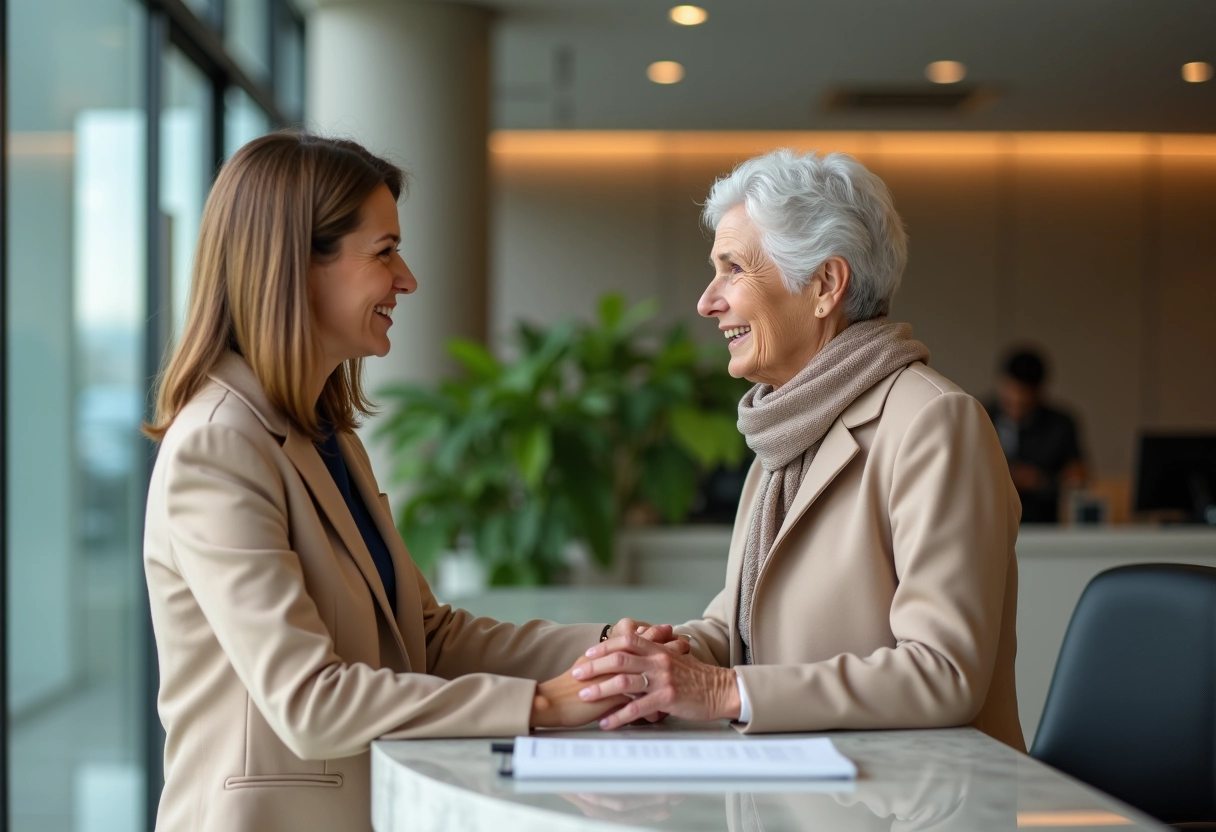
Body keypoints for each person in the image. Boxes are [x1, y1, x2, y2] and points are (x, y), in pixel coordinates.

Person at [141, 132, 682, 832]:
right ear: (297, 263)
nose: (407, 279)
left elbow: (426, 639)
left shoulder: (324, 438)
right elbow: (311, 703)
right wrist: (544, 705)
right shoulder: (219, 446)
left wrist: (605, 650)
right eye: (385, 251)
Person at [575, 149, 1025, 750]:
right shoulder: (784, 425)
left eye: (733, 268)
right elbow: (735, 627)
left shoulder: (935, 421)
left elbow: (943, 673)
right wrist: (661, 658)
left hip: (911, 804)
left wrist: (722, 692)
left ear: (824, 285)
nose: (708, 301)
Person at [986, 349, 1087, 523]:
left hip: (1044, 524)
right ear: (1002, 383)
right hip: (991, 521)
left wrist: (1040, 481)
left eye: (1024, 393)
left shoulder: (1060, 424)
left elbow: (1078, 478)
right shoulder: (982, 415)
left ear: (1039, 392)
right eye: (1012, 390)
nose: (1017, 399)